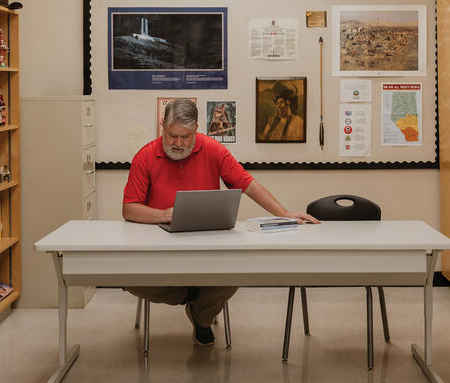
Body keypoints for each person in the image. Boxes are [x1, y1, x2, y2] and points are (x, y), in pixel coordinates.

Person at [122, 98, 319, 347]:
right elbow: (129, 209)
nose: (179, 143)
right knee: (127, 279)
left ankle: (201, 317)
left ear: (197, 130)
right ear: (162, 125)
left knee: (235, 270)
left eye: (186, 136)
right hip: (160, 244)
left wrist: (284, 213)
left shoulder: (212, 148)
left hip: (207, 240)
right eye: (172, 136)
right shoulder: (146, 155)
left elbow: (247, 183)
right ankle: (195, 296)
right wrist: (162, 215)